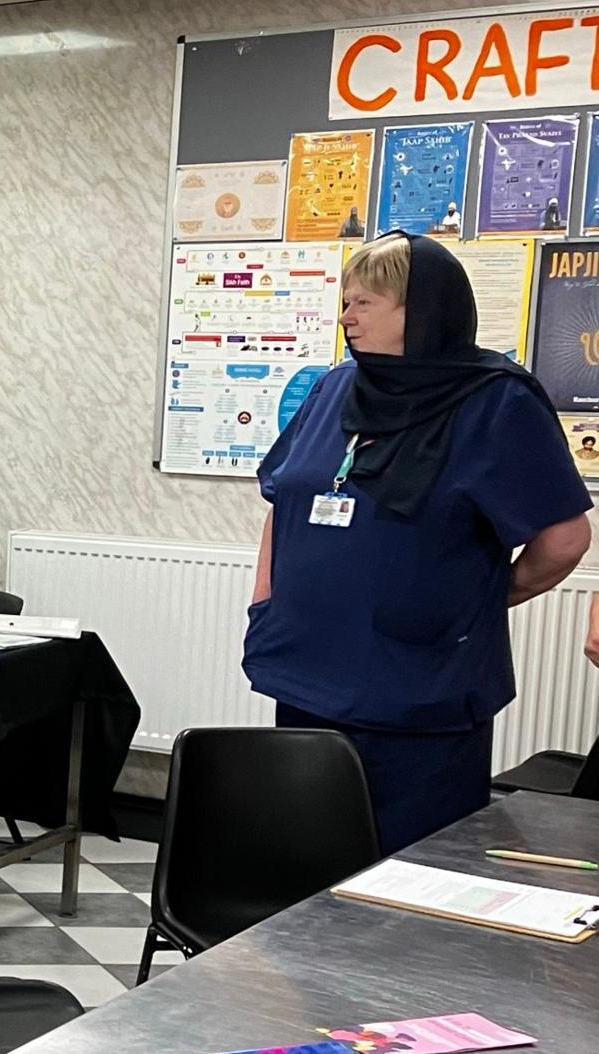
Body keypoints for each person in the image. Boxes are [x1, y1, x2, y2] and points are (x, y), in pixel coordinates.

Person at [247, 232, 591, 853]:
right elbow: (285, 500)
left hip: (418, 685)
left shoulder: (495, 401)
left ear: (423, 310)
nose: (345, 316)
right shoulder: (334, 389)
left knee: (405, 870)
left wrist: (481, 598)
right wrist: (265, 602)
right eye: (345, 301)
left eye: (364, 303)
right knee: (303, 859)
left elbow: (563, 539)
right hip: (307, 665)